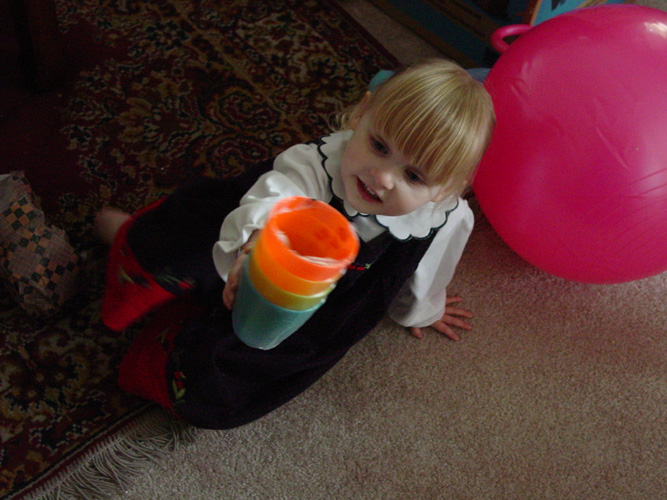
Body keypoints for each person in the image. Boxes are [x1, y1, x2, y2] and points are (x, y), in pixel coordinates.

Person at [95, 59, 495, 429]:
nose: (383, 177)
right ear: (362, 113)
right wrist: (253, 246)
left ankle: (167, 358)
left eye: (414, 176)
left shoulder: (446, 217)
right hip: (246, 242)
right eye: (379, 146)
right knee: (174, 247)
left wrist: (422, 312)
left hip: (319, 301)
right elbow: (273, 197)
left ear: (448, 189)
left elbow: (427, 272)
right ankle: (130, 235)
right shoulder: (316, 164)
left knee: (248, 362)